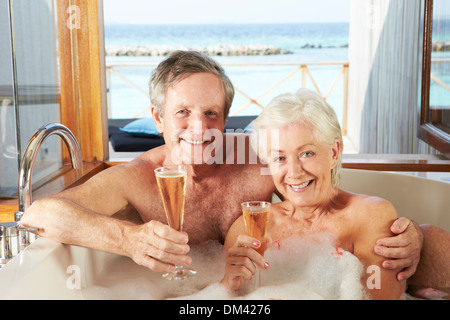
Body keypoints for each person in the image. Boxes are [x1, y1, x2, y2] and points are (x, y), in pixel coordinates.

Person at [21, 50, 421, 280]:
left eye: (211, 113)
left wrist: (409, 233)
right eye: (183, 113)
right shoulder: (136, 179)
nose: (200, 128)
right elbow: (39, 214)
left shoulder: (257, 155)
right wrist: (129, 240)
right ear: (157, 119)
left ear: (226, 118)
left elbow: (321, 191)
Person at [220, 89, 411, 299]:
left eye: (306, 153)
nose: (294, 172)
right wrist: (228, 284)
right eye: (279, 158)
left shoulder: (370, 217)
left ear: (334, 153)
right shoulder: (249, 227)